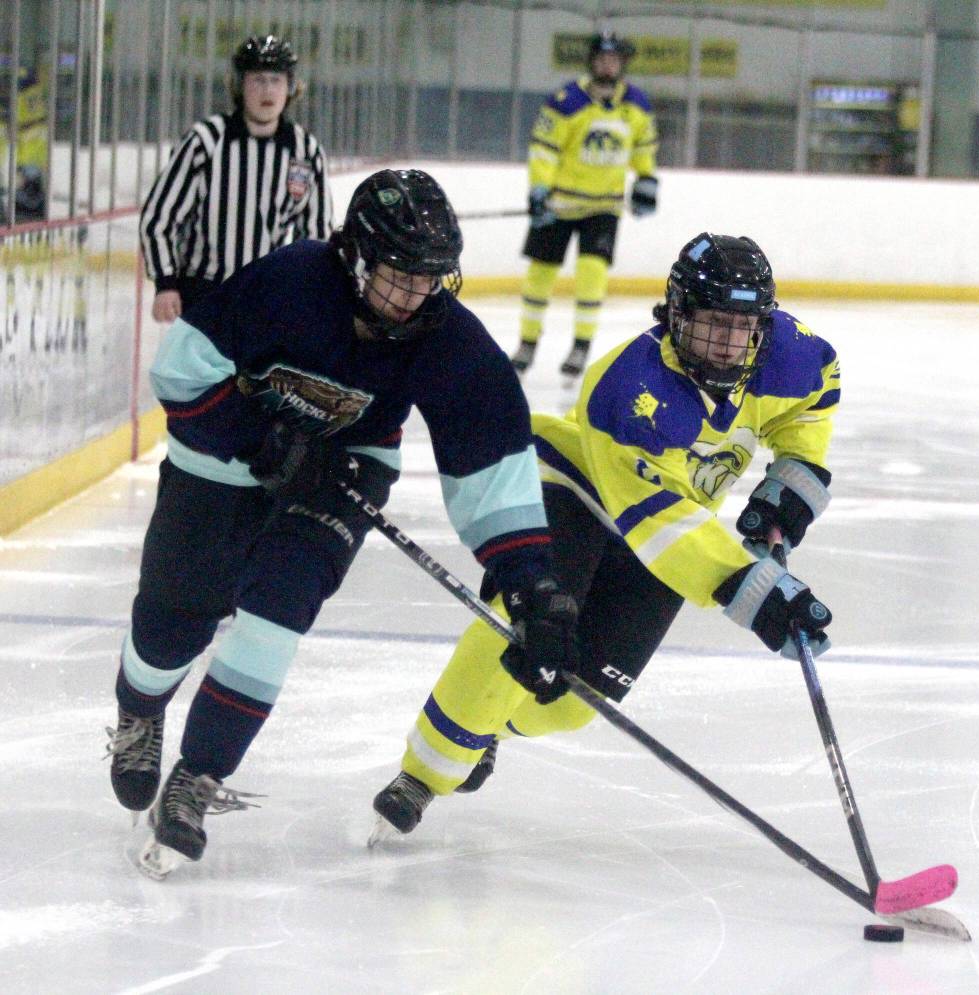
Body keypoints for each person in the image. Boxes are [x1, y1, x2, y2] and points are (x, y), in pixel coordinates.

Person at [105, 168, 577, 878]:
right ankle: (139, 711)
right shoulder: (286, 284)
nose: (417, 294)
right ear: (354, 257)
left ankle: (196, 778)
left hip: (344, 471)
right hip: (221, 458)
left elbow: (491, 465)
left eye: (431, 278)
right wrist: (264, 442)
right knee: (176, 617)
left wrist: (533, 584)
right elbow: (181, 371)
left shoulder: (444, 336)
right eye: (399, 276)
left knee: (277, 615)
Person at [371, 232, 840, 838]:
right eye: (709, 324)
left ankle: (485, 731)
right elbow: (657, 524)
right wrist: (755, 592)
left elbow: (809, 412)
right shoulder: (628, 388)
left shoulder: (796, 356)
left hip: (676, 522)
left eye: (741, 326)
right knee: (533, 628)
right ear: (675, 315)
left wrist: (787, 494)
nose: (726, 343)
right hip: (572, 487)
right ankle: (424, 773)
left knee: (573, 704)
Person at [139, 35, 334, 323]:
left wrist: (306, 295)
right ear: (240, 85)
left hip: (268, 300)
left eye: (276, 80)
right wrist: (165, 284)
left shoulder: (305, 151)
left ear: (290, 86)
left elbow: (317, 236)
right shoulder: (205, 142)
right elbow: (159, 218)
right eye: (257, 80)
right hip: (205, 296)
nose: (267, 90)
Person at [509, 31, 658, 378]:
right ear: (592, 62)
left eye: (614, 60)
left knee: (592, 275)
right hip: (559, 205)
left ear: (621, 64)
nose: (607, 65)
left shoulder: (636, 103)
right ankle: (528, 343)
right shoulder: (566, 100)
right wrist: (540, 189)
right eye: (602, 59)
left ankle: (581, 346)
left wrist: (647, 179)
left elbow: (643, 147)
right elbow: (544, 148)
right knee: (540, 275)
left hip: (603, 208)